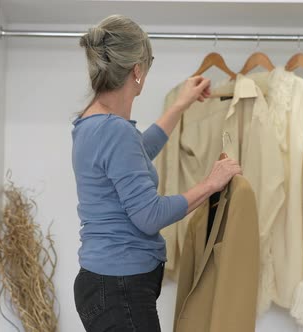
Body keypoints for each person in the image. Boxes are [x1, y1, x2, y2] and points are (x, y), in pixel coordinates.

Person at [72, 14, 242, 332]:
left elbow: (137, 154)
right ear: (137, 71)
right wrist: (211, 183)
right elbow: (149, 215)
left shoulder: (90, 124)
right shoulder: (114, 131)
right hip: (120, 289)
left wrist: (179, 106)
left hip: (104, 284)